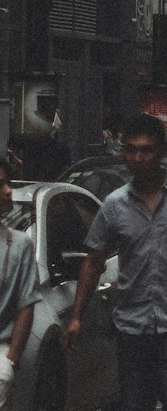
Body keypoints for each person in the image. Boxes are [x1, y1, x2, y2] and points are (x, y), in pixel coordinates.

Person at [64, 114, 167, 411]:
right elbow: (93, 261)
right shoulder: (114, 205)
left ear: (161, 152)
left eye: (147, 150)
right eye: (131, 150)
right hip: (132, 327)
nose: (138, 157)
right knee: (136, 403)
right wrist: (76, 316)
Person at [0, 156, 41, 411]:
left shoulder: (19, 244)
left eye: (8, 183)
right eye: (0, 185)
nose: (8, 191)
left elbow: (26, 304)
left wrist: (10, 361)